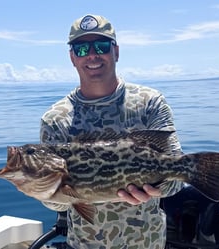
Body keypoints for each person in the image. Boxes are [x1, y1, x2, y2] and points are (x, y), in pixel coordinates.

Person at [40, 14, 183, 249]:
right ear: (73, 57)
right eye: (83, 48)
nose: (93, 54)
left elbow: (176, 179)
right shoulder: (55, 118)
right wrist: (40, 188)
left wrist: (155, 188)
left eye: (102, 46)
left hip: (147, 242)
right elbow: (60, 205)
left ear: (116, 51)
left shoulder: (150, 102)